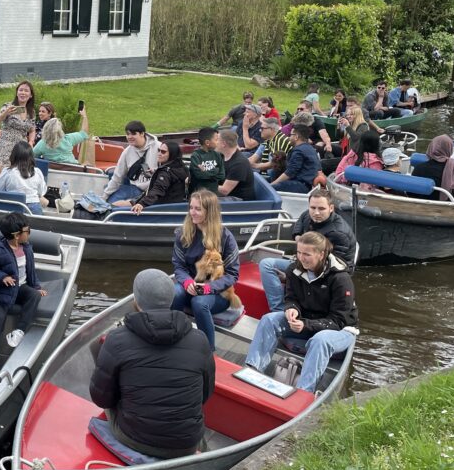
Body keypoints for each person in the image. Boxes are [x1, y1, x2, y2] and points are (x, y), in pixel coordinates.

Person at [89, 269, 214, 458]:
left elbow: (101, 399)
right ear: (171, 299)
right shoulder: (200, 339)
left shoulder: (116, 339)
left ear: (136, 300)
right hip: (187, 443)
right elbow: (205, 394)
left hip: (136, 439)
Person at [245, 232, 358, 393]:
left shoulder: (341, 279)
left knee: (320, 340)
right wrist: (292, 308)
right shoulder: (294, 269)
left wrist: (305, 325)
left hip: (339, 330)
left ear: (321, 254)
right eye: (299, 252)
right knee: (269, 320)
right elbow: (291, 297)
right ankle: (252, 371)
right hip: (306, 321)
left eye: (306, 254)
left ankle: (304, 391)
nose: (301, 258)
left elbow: (339, 320)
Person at [258, 188, 357, 312]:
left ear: (331, 208)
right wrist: (298, 236)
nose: (316, 212)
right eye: (312, 207)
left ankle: (280, 311)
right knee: (266, 264)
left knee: (279, 267)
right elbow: (300, 222)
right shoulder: (309, 215)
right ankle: (279, 309)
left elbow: (336, 265)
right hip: (306, 260)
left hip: (327, 270)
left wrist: (294, 274)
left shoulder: (338, 233)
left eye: (321, 209)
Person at [171, 190, 240, 348]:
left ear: (210, 212)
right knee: (174, 293)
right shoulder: (183, 234)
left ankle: (208, 350)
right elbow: (179, 266)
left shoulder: (226, 237)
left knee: (199, 302)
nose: (192, 212)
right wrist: (187, 282)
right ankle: (173, 336)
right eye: (191, 207)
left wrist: (208, 288)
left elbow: (232, 274)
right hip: (189, 287)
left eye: (198, 209)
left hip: (218, 293)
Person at [0, 212, 48, 365]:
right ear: (16, 235)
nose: (29, 233)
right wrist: (2, 277)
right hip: (5, 291)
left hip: (21, 287)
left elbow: (31, 271)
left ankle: (19, 331)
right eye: (28, 231)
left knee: (34, 295)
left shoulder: (27, 248)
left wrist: (36, 286)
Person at [103, 120, 159, 205]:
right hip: (135, 188)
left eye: (133, 134)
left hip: (153, 190)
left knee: (113, 204)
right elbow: (117, 177)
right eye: (127, 134)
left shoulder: (159, 148)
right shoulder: (127, 152)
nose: (129, 137)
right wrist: (104, 197)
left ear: (142, 133)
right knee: (108, 197)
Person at [129, 141, 188, 214]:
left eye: (163, 152)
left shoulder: (165, 173)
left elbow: (158, 190)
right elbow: (172, 179)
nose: (159, 154)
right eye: (158, 150)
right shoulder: (182, 168)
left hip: (159, 207)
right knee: (125, 202)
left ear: (172, 154)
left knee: (120, 204)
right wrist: (156, 173)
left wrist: (142, 203)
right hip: (175, 205)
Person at [0, 80, 36, 167]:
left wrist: (31, 142)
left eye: (26, 91)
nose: (23, 93)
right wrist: (5, 113)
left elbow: (32, 130)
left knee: (20, 171)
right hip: (6, 147)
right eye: (21, 90)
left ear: (30, 95)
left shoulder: (31, 112)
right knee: (4, 172)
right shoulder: (8, 106)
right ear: (17, 92)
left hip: (22, 150)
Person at [0, 142, 47, 215]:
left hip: (14, 208)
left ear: (13, 156)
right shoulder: (37, 172)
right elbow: (42, 192)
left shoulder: (7, 172)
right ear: (31, 157)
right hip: (35, 208)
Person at [271, 125, 320, 193]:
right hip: (305, 185)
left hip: (299, 185)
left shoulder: (299, 151)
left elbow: (290, 172)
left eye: (290, 135)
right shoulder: (310, 149)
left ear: (296, 137)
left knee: (267, 189)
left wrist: (271, 185)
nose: (289, 137)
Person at [217, 130, 256, 201]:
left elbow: (225, 191)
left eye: (216, 140)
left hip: (239, 201)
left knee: (201, 200)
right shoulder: (222, 156)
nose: (214, 143)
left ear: (223, 144)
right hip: (229, 195)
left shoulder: (239, 163)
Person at [188, 128, 224, 196]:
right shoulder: (196, 156)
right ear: (207, 142)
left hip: (214, 193)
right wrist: (215, 171)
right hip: (198, 194)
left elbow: (221, 175)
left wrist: (205, 172)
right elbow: (199, 175)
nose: (218, 142)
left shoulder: (217, 155)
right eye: (216, 140)